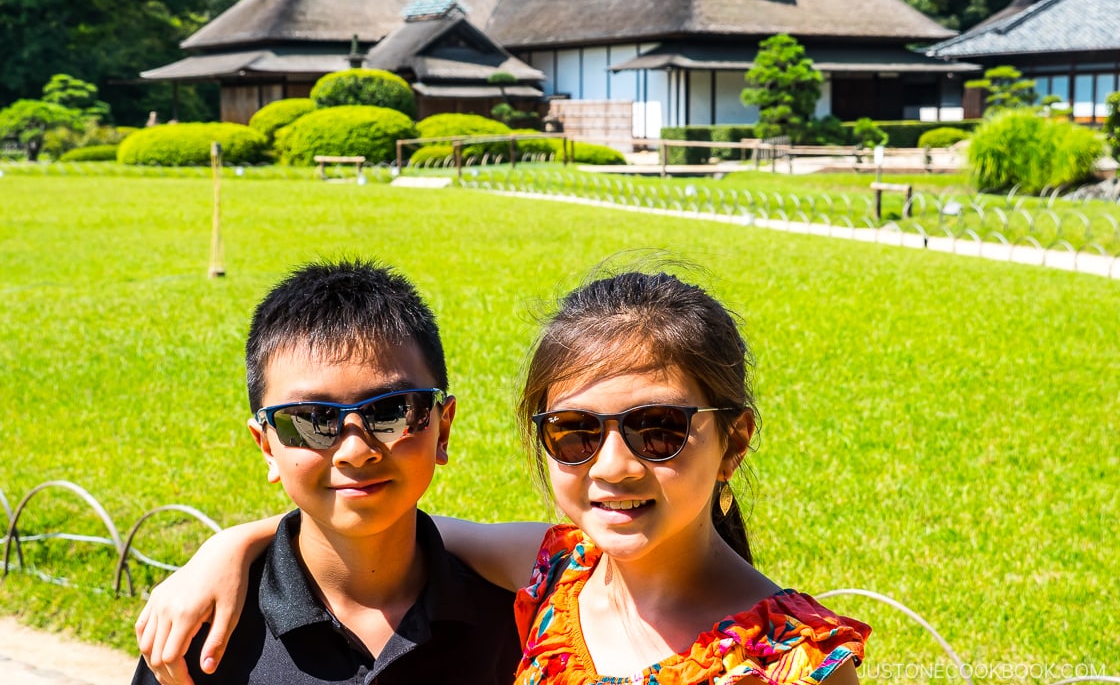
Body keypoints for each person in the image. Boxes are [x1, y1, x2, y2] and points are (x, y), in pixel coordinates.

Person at [139, 266, 870, 685]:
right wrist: (232, 546)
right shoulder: (557, 574)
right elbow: (376, 518)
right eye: (575, 433)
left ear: (734, 440)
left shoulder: (800, 663)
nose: (613, 468)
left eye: (659, 430)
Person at [132, 260, 520, 685]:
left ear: (441, 427)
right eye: (310, 419)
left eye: (391, 411)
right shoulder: (203, 631)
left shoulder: (518, 619)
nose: (355, 452)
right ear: (266, 446)